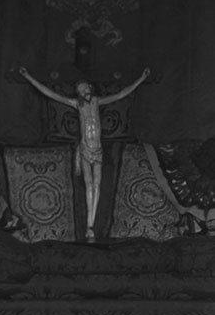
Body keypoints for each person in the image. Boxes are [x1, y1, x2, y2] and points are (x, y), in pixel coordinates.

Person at [19, 65, 150, 240]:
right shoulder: (76, 104)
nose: (81, 90)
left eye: (83, 87)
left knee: (97, 185)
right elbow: (50, 94)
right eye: (78, 89)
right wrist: (28, 76)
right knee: (89, 185)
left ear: (89, 88)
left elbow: (121, 94)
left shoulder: (97, 101)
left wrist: (141, 79)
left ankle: (92, 225)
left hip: (98, 149)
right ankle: (89, 227)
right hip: (85, 149)